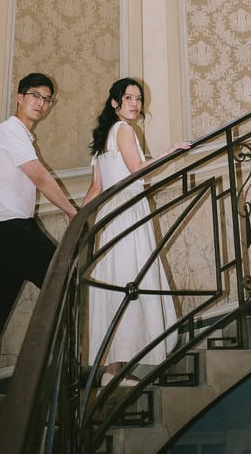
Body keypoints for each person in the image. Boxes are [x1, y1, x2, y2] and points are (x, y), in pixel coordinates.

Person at [0, 72, 76, 426]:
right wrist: (73, 211)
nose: (41, 103)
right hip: (9, 230)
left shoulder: (20, 135)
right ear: (19, 96)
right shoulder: (9, 129)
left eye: (47, 99)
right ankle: (56, 387)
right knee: (66, 282)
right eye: (35, 95)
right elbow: (39, 177)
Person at [82, 77, 190, 386]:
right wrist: (171, 152)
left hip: (111, 215)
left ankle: (112, 371)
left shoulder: (104, 138)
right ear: (115, 103)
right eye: (128, 98)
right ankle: (115, 371)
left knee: (118, 282)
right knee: (131, 279)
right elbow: (138, 170)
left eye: (138, 99)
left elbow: (95, 189)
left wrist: (80, 222)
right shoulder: (125, 130)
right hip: (127, 211)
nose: (134, 103)